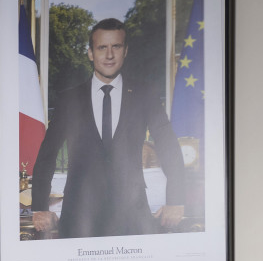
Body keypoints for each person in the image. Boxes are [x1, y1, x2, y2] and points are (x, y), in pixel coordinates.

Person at [30, 18, 186, 239]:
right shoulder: (69, 99)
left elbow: (168, 145)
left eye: (116, 46)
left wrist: (176, 200)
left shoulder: (145, 94)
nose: (109, 55)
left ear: (125, 51)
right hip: (79, 217)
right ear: (91, 53)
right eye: (102, 47)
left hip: (132, 218)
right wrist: (39, 207)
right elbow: (47, 154)